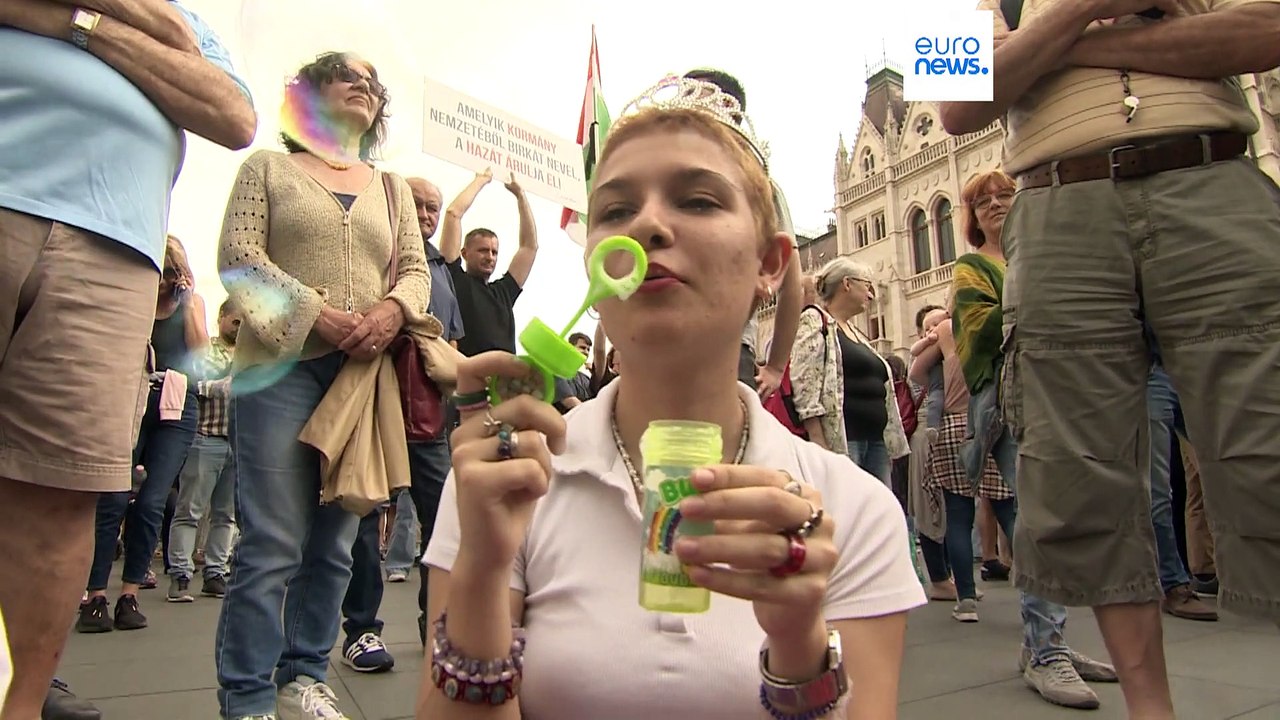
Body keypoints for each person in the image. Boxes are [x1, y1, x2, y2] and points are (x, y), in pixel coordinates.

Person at [418, 74, 926, 720]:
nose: (649, 225)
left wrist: (799, 643)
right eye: (616, 211)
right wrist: (483, 574)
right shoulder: (504, 478)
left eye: (698, 200)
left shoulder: (854, 512)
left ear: (771, 264)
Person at [941, 2, 1280, 716]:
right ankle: (1148, 709)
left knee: (1268, 432)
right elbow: (956, 102)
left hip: (1212, 177)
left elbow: (1268, 30)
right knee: (1080, 462)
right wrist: (1087, 12)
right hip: (1062, 202)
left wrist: (1043, 51)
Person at [0, 1, 253, 715]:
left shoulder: (182, 17)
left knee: (61, 491)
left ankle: (19, 704)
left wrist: (77, 22)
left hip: (111, 252)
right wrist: (141, 39)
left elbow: (231, 114)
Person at [215, 52, 430, 720]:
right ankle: (247, 696)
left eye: (374, 80)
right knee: (274, 539)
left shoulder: (391, 189)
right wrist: (320, 316)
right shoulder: (267, 169)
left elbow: (417, 274)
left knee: (337, 541)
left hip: (361, 380)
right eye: (348, 75)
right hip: (278, 372)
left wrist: (392, 311)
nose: (365, 84)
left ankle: (304, 675)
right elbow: (239, 260)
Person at [78, 236, 205, 633]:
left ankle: (129, 593)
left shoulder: (190, 304)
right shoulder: (132, 296)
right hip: (128, 398)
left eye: (172, 273)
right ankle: (95, 594)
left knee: (152, 502)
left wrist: (187, 303)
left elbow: (199, 354)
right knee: (112, 498)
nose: (166, 281)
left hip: (177, 404)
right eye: (162, 272)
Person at [680, 68, 804, 400]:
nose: (685, 108)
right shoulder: (662, 175)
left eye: (696, 97)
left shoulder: (761, 185)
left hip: (727, 349)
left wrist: (777, 366)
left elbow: (793, 280)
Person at [439, 170, 538, 357]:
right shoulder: (455, 279)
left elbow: (529, 247)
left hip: (505, 383)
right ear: (464, 253)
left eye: (494, 252)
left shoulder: (503, 293)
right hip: (469, 378)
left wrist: (521, 196)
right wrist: (480, 180)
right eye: (483, 250)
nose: (490, 257)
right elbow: (453, 214)